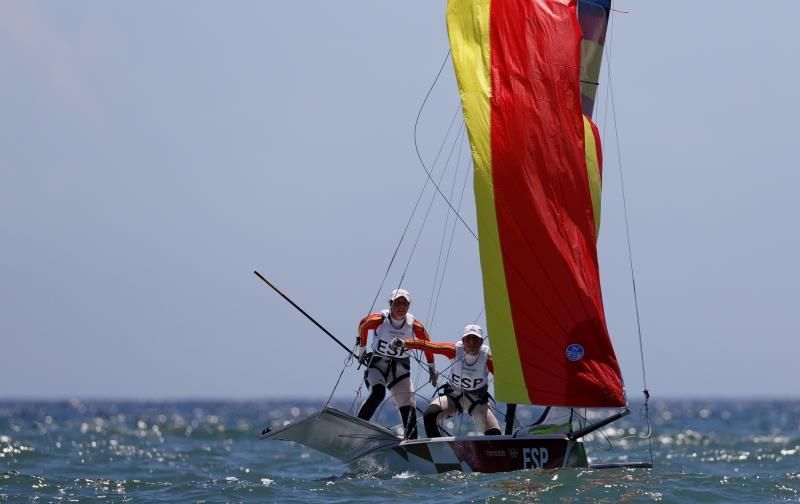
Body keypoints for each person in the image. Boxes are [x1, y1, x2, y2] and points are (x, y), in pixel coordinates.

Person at [355, 288, 436, 439]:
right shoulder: (379, 320)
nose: (401, 307)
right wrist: (362, 350)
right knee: (378, 393)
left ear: (409, 306)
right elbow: (363, 325)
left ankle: (412, 446)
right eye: (397, 303)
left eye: (405, 304)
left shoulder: (415, 326)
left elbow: (427, 344)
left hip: (400, 372)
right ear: (391, 304)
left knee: (409, 412)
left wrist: (432, 369)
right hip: (377, 367)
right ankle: (356, 428)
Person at [394, 324, 501, 437]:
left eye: (475, 338)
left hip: (477, 401)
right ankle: (437, 449)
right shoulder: (453, 351)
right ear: (463, 340)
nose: (471, 342)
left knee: (494, 434)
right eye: (468, 338)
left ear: (481, 342)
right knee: (430, 415)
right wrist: (404, 343)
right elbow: (430, 346)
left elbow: (505, 380)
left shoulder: (488, 359)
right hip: (453, 397)